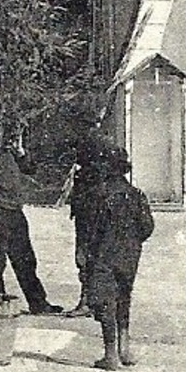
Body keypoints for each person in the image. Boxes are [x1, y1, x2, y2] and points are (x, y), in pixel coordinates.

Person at [83, 150, 155, 371]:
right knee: (124, 297)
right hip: (130, 255)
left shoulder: (99, 195)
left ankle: (110, 355)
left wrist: (87, 252)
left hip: (104, 254)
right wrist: (132, 242)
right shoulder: (137, 194)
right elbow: (147, 227)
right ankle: (125, 349)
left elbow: (92, 230)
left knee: (105, 301)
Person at [0, 144, 63, 316]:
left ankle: (38, 303)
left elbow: (30, 169)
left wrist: (21, 153)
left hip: (15, 209)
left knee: (26, 259)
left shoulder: (11, 151)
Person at [64, 128, 117, 317]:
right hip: (92, 218)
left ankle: (88, 302)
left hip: (90, 219)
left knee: (86, 258)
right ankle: (96, 302)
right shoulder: (100, 172)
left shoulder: (90, 175)